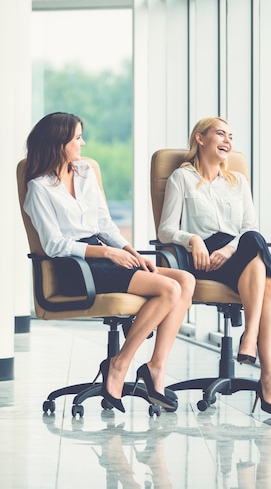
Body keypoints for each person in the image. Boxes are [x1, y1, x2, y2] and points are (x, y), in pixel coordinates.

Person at [23, 112, 195, 414]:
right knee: (169, 289)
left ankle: (156, 366)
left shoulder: (86, 172)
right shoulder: (38, 188)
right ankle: (120, 364)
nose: (82, 143)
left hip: (104, 255)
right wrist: (108, 253)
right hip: (74, 266)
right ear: (58, 142)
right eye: (77, 137)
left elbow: (104, 224)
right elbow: (53, 245)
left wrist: (131, 252)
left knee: (186, 280)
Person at [158, 117, 271, 417]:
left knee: (256, 246)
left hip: (235, 254)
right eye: (220, 134)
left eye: (231, 135)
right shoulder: (182, 178)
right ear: (200, 139)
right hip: (203, 259)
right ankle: (267, 375)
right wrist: (191, 239)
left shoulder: (238, 182)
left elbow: (248, 229)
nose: (228, 140)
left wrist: (230, 250)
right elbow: (165, 229)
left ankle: (256, 349)